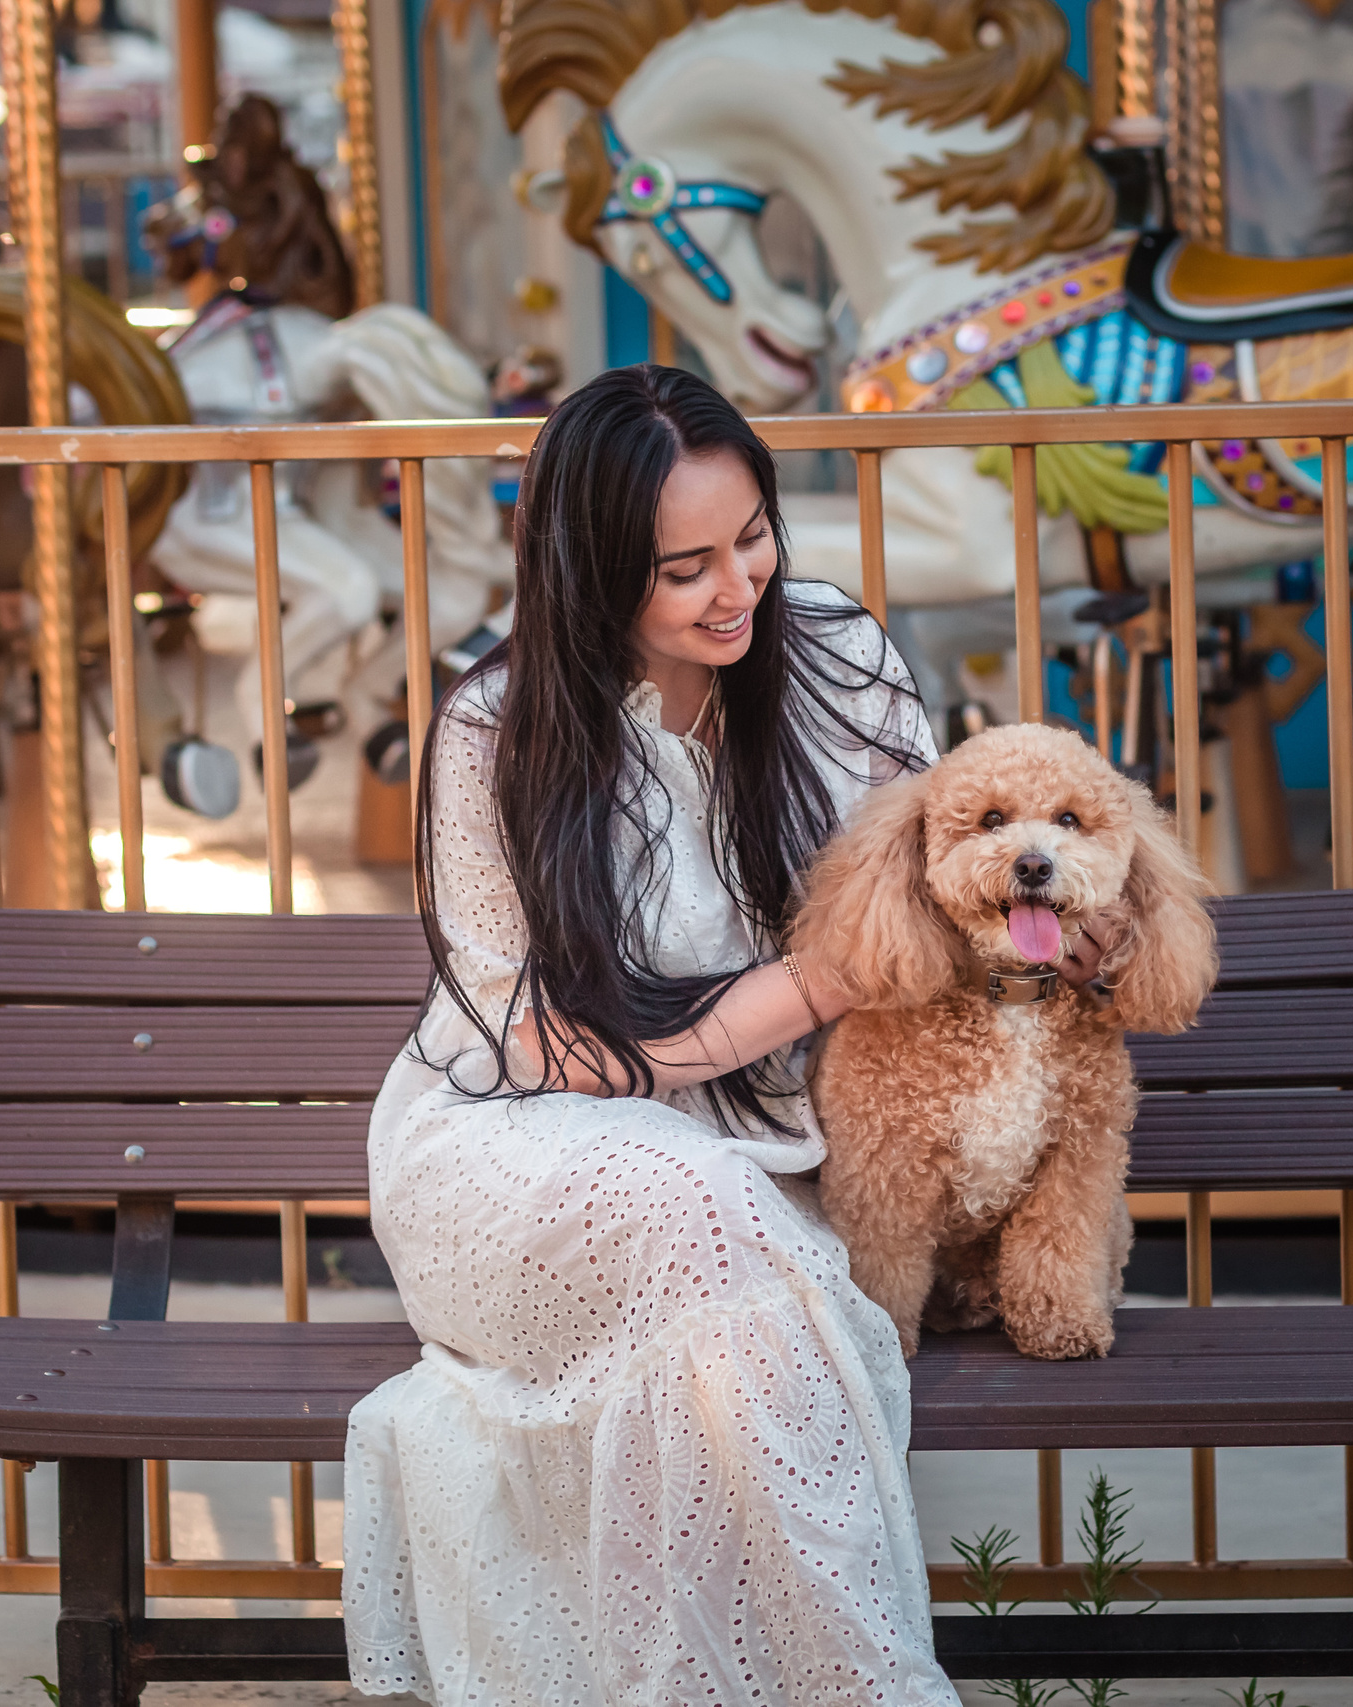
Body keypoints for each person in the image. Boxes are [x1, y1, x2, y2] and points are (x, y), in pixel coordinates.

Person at [342, 365, 1105, 1703]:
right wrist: (802, 994)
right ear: (589, 571)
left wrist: (1057, 925)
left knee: (727, 1259)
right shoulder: (493, 729)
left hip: (772, 1163)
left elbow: (934, 885)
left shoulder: (836, 657)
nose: (735, 587)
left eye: (750, 537)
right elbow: (522, 1040)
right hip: (515, 1154)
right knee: (699, 1207)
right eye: (682, 566)